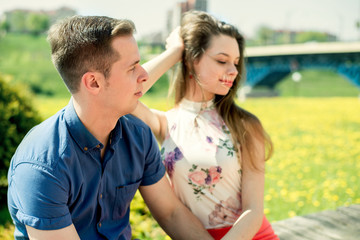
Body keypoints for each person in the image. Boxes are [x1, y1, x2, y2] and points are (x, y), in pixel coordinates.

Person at [7, 15, 213, 240]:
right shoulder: (43, 166)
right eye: (133, 68)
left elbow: (172, 214)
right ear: (93, 82)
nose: (144, 75)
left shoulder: (138, 135)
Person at [132, 11, 279, 240]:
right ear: (192, 60)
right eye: (222, 61)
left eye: (236, 63)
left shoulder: (245, 125)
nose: (233, 71)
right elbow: (124, 92)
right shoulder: (164, 123)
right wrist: (174, 53)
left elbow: (253, 211)